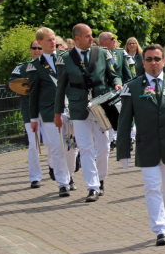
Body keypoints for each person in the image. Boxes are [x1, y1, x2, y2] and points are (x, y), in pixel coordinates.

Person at [116, 44, 165, 246]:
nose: (154, 63)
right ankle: (160, 229)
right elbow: (124, 122)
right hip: (147, 146)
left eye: (157, 59)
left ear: (164, 61)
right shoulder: (133, 87)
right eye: (149, 59)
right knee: (152, 187)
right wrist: (123, 151)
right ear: (143, 62)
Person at [54, 24, 123, 202]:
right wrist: (57, 113)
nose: (92, 39)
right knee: (85, 148)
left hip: (101, 106)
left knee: (103, 146)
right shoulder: (65, 58)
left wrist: (117, 83)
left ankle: (101, 179)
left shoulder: (101, 53)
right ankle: (92, 186)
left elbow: (112, 74)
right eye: (87, 36)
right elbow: (60, 88)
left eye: (91, 35)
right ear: (77, 38)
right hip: (78, 108)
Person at [28, 28, 79, 193]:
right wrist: (34, 118)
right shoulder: (34, 65)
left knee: (72, 149)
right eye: (49, 40)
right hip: (50, 112)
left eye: (54, 39)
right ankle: (63, 183)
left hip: (70, 110)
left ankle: (69, 175)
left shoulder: (66, 58)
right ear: (40, 42)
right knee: (57, 148)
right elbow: (33, 94)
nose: (53, 42)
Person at [12, 40, 45, 189]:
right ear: (30, 50)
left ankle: (55, 170)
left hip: (47, 108)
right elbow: (10, 84)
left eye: (40, 48)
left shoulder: (49, 66)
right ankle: (35, 177)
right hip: (29, 109)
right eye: (34, 48)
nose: (37, 50)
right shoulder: (21, 67)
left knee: (52, 144)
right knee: (33, 144)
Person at [99, 32, 132, 149]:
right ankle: (113, 139)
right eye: (112, 38)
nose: (115, 40)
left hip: (119, 88)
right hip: (104, 91)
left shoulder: (119, 52)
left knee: (122, 114)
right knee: (109, 115)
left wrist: (130, 85)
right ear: (104, 41)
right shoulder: (97, 54)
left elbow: (126, 71)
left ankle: (125, 138)